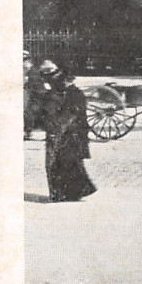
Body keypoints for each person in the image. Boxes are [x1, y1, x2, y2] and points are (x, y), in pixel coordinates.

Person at [41, 64, 96, 203]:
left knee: (63, 163)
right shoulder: (71, 93)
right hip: (72, 133)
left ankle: (63, 194)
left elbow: (70, 114)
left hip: (71, 134)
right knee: (70, 164)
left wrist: (57, 129)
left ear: (67, 80)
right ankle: (70, 193)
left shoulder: (73, 94)